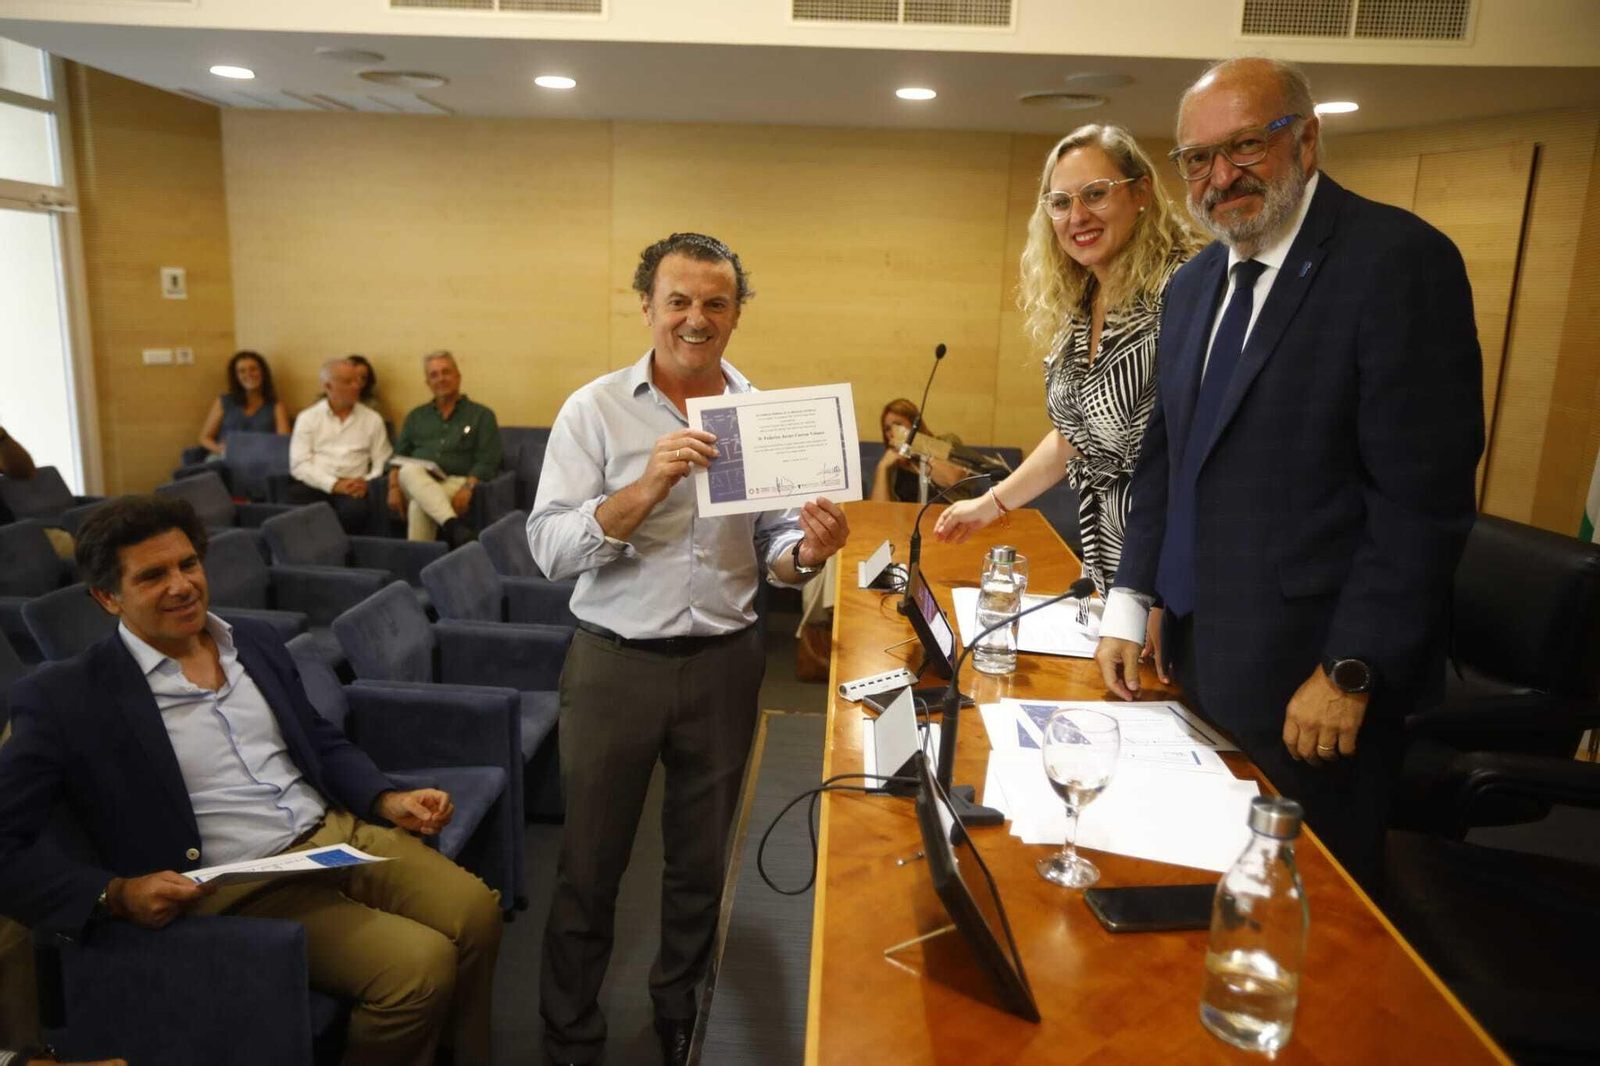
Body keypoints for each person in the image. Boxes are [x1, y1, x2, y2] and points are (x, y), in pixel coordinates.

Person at [1093, 58, 1483, 887]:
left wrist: (1352, 667)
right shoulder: (1194, 285)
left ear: (1305, 138)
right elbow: (1169, 456)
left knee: (1306, 922)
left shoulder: (1397, 262)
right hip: (1198, 665)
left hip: (1316, 689)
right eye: (1197, 158)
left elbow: (1422, 501)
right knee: (1196, 894)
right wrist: (1135, 597)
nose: (1220, 175)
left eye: (1244, 146)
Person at [0, 495, 503, 1066]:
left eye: (188, 564)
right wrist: (112, 894)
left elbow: (318, 738)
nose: (182, 585)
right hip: (240, 882)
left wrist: (386, 796)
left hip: (335, 838)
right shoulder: (66, 696)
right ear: (107, 598)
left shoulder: (253, 642)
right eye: (152, 576)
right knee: (419, 966)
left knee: (478, 911)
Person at [527, 232, 849, 1066]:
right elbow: (550, 550)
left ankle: (679, 1011)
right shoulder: (594, 410)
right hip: (614, 666)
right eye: (679, 300)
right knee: (589, 869)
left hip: (726, 663)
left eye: (715, 302)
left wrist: (810, 550)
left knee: (701, 864)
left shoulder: (762, 414)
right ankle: (568, 1035)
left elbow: (777, 551)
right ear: (647, 307)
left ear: (737, 314)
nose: (696, 318)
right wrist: (646, 486)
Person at [935, 123, 1201, 622]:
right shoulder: (1083, 299)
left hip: (1172, 580)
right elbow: (1075, 436)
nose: (1077, 216)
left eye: (1095, 194)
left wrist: (1160, 596)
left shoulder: (1186, 289)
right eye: (1060, 202)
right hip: (1111, 573)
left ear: (1141, 191)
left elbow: (1195, 459)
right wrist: (988, 505)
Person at [385, 351, 503, 547]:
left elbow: (488, 459)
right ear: (428, 382)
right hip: (413, 479)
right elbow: (398, 456)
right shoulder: (416, 416)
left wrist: (468, 487)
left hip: (456, 482)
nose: (441, 378)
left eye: (446, 372)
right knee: (409, 469)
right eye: (434, 374)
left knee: (419, 507)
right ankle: (453, 525)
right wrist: (393, 487)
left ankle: (419, 569)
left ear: (458, 376)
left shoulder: (481, 415)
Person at [287, 357, 393, 533]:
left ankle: (344, 557)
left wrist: (366, 483)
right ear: (328, 387)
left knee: (355, 512)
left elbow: (382, 461)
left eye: (358, 380)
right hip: (316, 484)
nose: (357, 385)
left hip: (355, 488)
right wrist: (334, 484)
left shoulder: (372, 419)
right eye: (348, 382)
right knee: (296, 506)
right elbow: (299, 464)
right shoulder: (307, 418)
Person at [870, 398, 986, 503]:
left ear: (914, 426)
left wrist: (917, 450)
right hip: (905, 523)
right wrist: (882, 468)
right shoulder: (893, 465)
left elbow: (953, 479)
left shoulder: (946, 442)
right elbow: (879, 511)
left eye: (898, 425)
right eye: (887, 429)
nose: (892, 433)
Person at [195, 350, 290, 459]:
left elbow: (283, 442)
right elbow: (204, 437)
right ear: (236, 377)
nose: (248, 374)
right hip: (224, 457)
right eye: (242, 371)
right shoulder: (225, 401)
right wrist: (221, 449)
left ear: (262, 372)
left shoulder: (276, 405)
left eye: (253, 369)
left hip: (258, 460)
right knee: (207, 471)